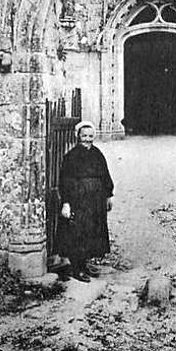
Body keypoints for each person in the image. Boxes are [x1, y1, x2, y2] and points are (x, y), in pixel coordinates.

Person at [56, 121, 114, 282]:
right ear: (78, 137)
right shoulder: (71, 156)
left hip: (96, 200)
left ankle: (85, 263)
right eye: (84, 136)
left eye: (90, 136)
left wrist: (109, 195)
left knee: (93, 231)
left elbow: (105, 175)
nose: (87, 139)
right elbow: (65, 180)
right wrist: (66, 202)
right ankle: (77, 268)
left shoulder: (97, 154)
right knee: (78, 232)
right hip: (78, 200)